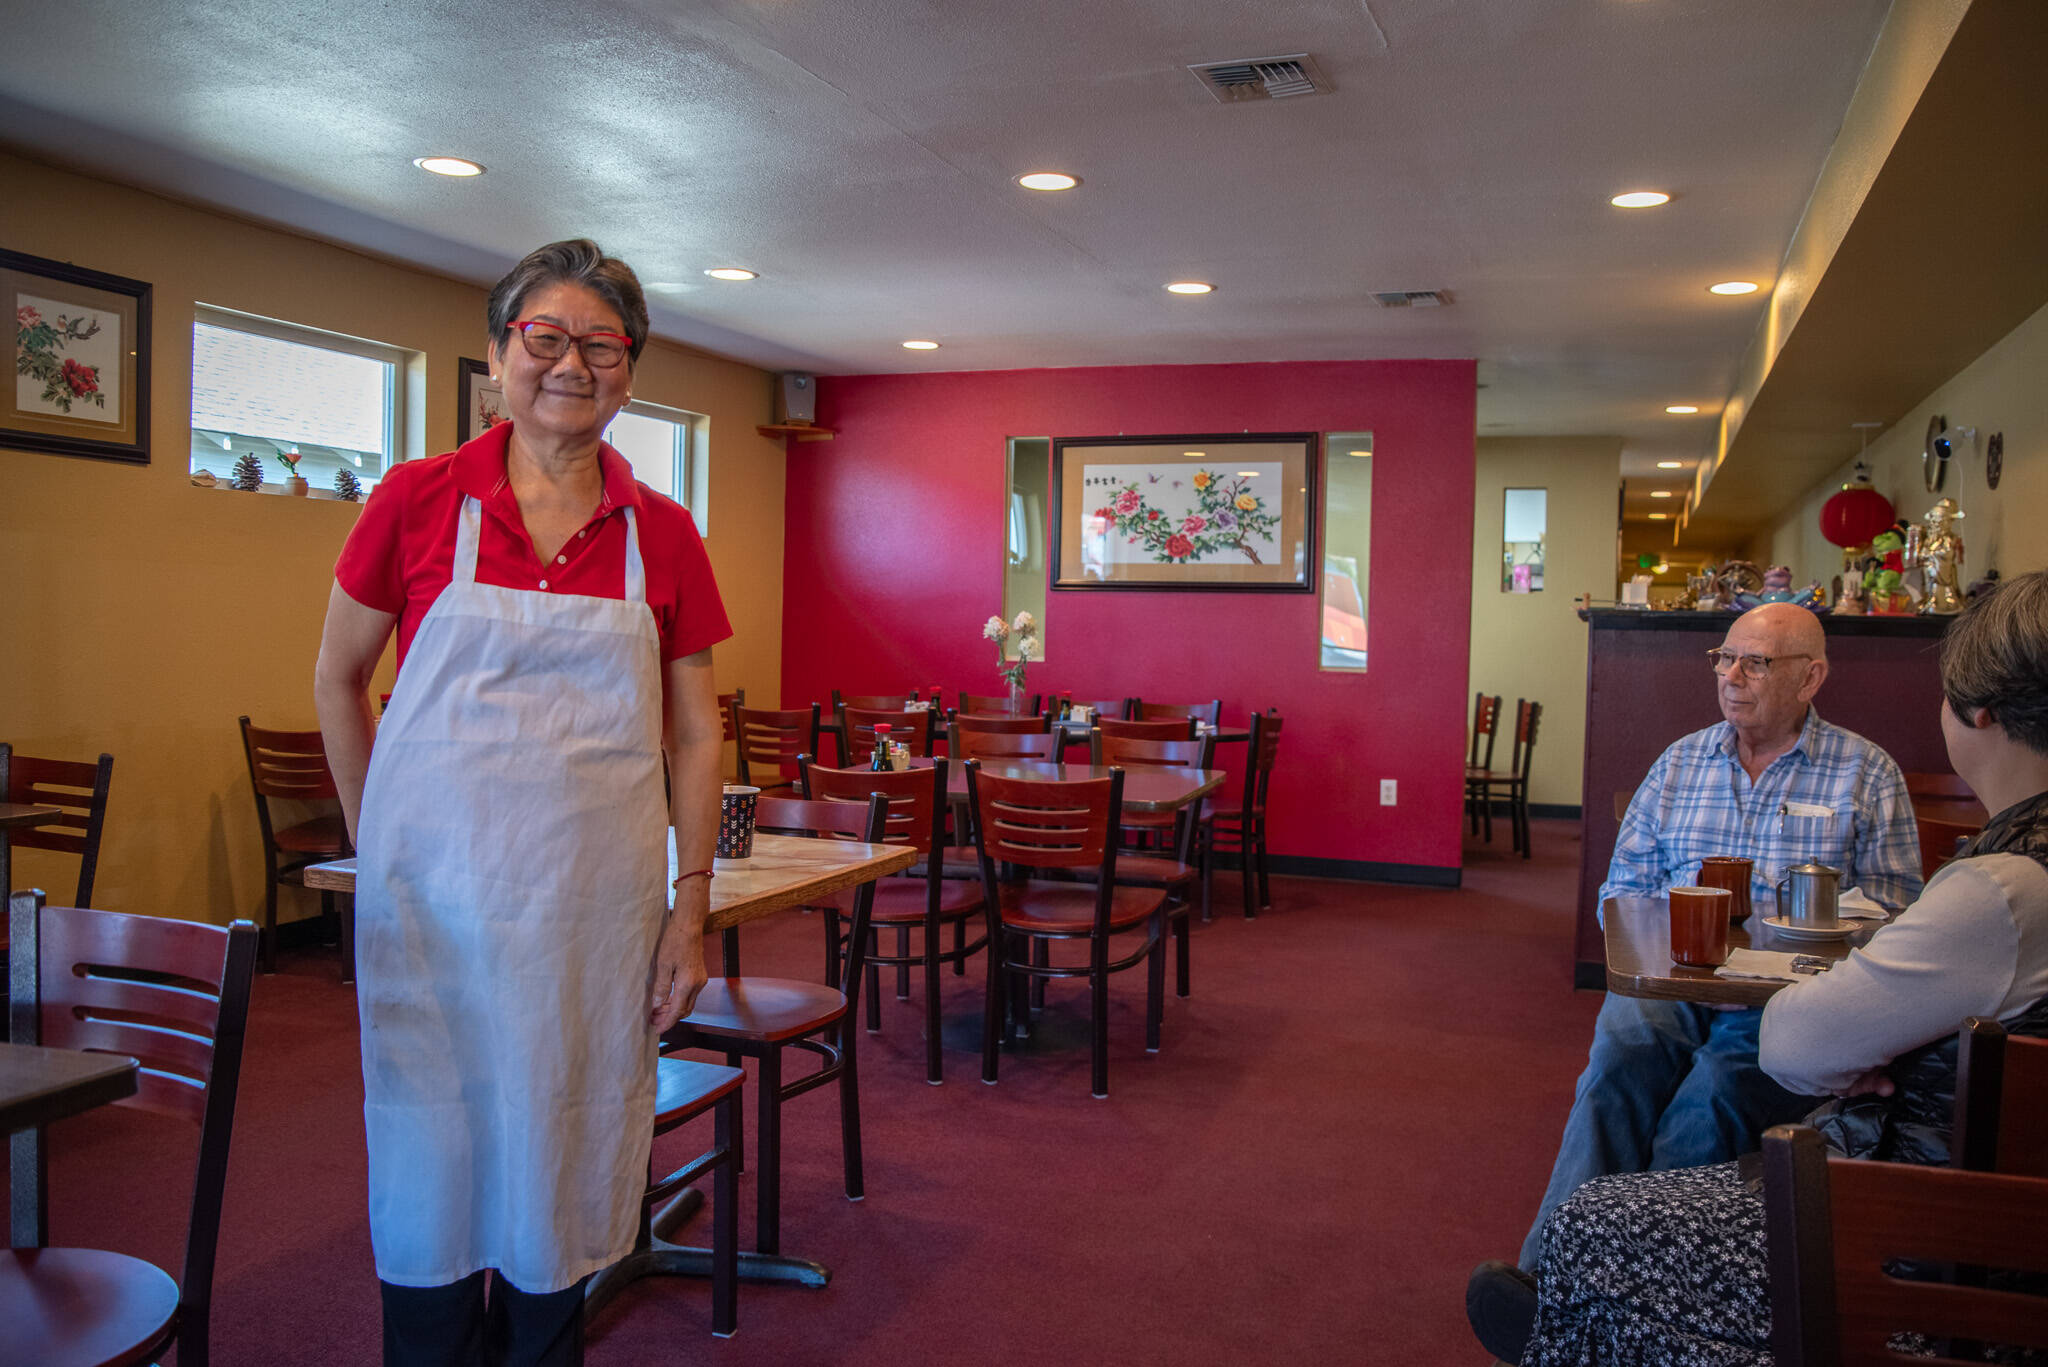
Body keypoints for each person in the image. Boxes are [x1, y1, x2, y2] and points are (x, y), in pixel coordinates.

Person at [314, 239, 731, 1367]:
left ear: (629, 371)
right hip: (432, 917)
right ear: (498, 352)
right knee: (432, 1163)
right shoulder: (414, 500)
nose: (570, 363)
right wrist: (378, 839)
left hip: (591, 923)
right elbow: (335, 679)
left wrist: (686, 906)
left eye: (601, 344)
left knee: (564, 1159)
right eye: (544, 337)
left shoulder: (662, 531)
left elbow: (698, 731)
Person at [1486, 569, 2048, 1366]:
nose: (1730, 676)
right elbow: (1623, 888)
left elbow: (1895, 906)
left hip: (1790, 995)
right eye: (1724, 658)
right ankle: (1553, 1278)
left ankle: (1625, 1288)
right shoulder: (1679, 764)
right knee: (1622, 1056)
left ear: (1811, 676)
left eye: (1755, 662)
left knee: (1710, 1092)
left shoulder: (1867, 773)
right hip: (1678, 977)